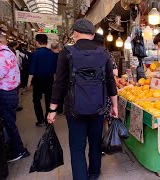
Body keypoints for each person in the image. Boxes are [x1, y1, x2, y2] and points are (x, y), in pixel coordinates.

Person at [47, 18, 118, 180]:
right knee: (95, 143)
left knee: (77, 147)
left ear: (76, 33)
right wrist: (114, 106)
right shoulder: (103, 53)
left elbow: (59, 83)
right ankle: (94, 174)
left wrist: (52, 109)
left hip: (74, 109)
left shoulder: (67, 52)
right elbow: (110, 81)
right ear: (92, 35)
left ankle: (80, 177)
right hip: (99, 108)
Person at [0, 28, 29, 162]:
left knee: (8, 124)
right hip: (9, 93)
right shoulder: (5, 52)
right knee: (8, 123)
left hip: (5, 95)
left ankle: (18, 150)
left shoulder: (1, 55)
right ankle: (15, 149)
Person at [28, 34, 57, 126]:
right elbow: (55, 70)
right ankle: (48, 119)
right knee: (49, 100)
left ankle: (40, 119)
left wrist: (29, 82)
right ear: (47, 42)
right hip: (49, 79)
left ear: (36, 42)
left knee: (36, 100)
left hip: (38, 80)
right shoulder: (52, 54)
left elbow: (32, 69)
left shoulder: (35, 54)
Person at [50, 42, 63, 114]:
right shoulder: (63, 55)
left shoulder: (52, 55)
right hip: (62, 74)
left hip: (55, 74)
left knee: (56, 90)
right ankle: (60, 109)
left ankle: (56, 108)